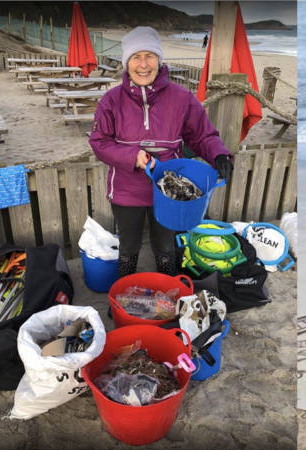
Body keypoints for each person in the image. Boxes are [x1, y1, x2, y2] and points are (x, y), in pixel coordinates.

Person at [89, 26, 233, 277]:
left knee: (165, 246)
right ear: (126, 63)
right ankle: (126, 288)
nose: (143, 64)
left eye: (150, 56)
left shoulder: (182, 97)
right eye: (136, 57)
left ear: (159, 59)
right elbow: (99, 142)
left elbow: (202, 134)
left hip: (169, 191)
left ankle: (170, 287)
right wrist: (132, 156)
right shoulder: (110, 100)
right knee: (129, 247)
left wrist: (218, 154)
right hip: (126, 189)